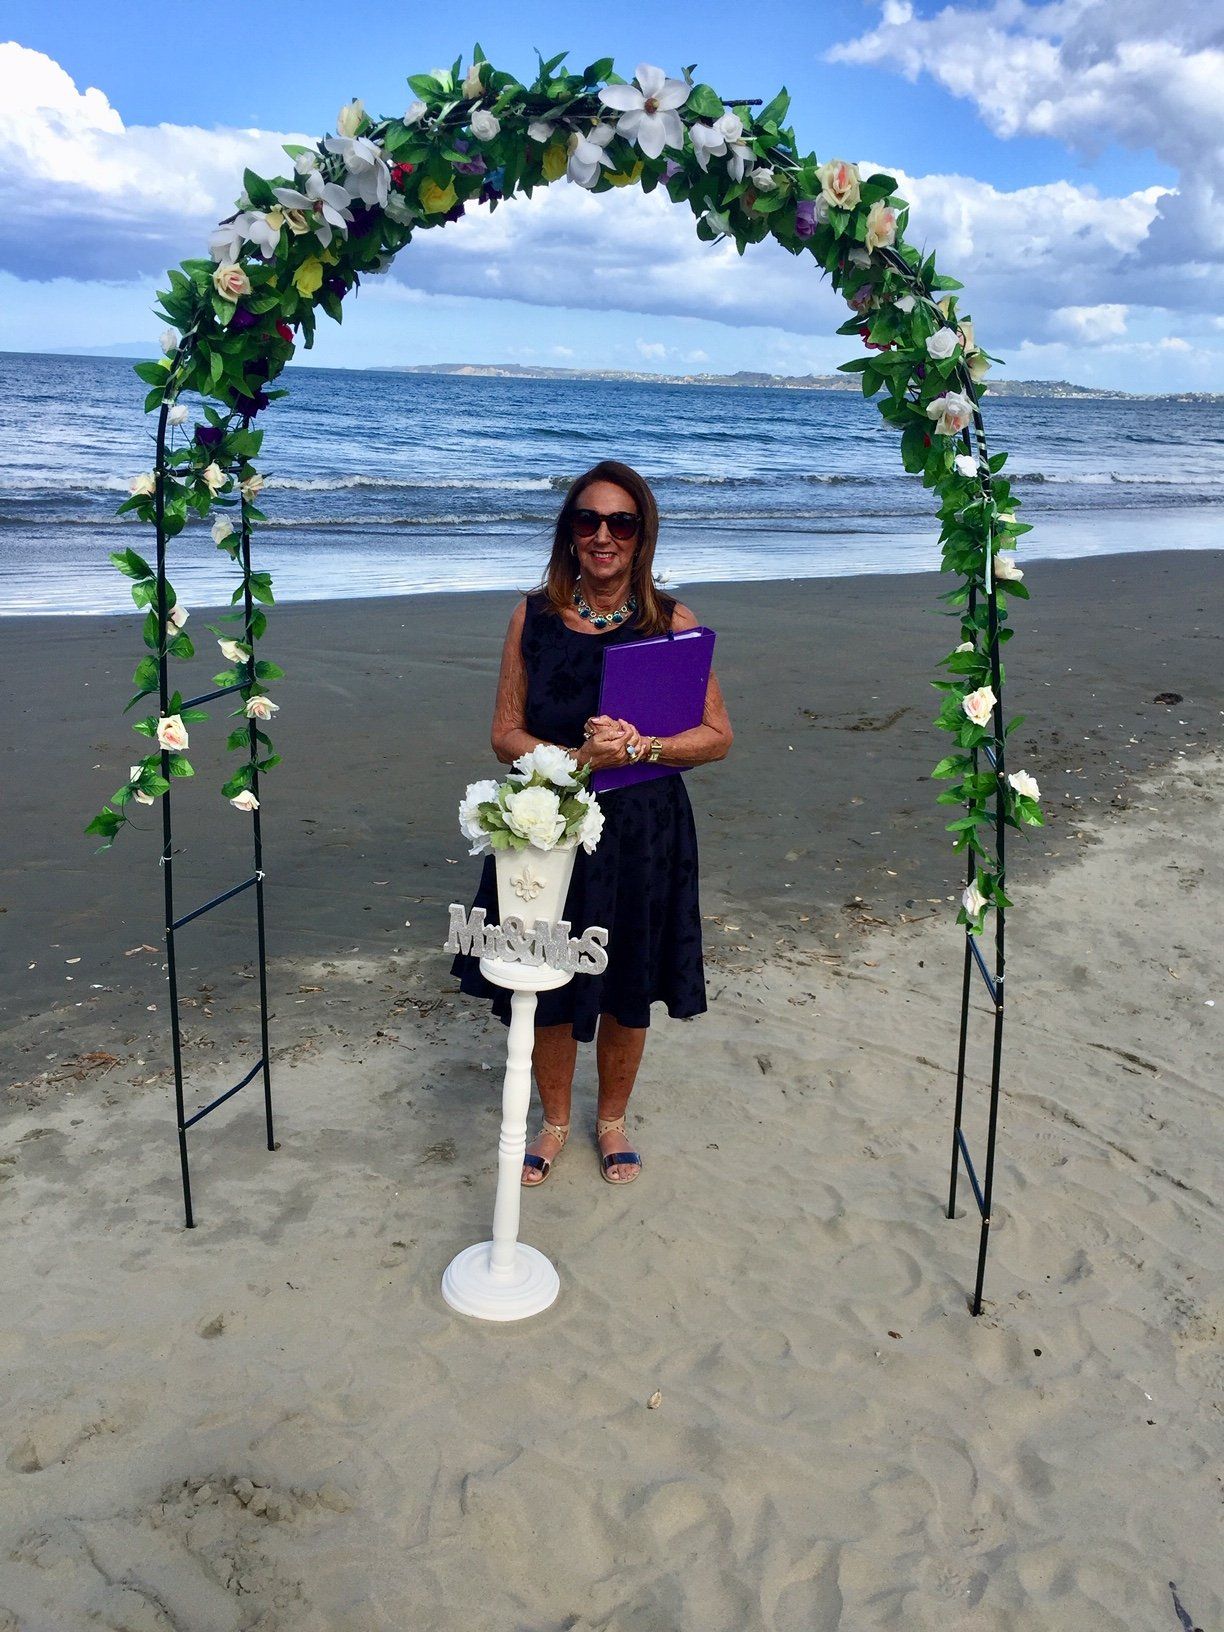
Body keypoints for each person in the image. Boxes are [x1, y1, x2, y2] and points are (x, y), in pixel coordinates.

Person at [451, 459, 733, 1186]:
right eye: (588, 520)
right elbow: (505, 732)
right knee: (546, 974)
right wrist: (578, 758)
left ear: (641, 538)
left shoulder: (672, 624)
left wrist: (639, 747)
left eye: (621, 522)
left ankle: (611, 1120)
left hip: (645, 829)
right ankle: (552, 1121)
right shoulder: (533, 617)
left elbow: (716, 736)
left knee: (628, 979)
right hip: (552, 822)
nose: (602, 535)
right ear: (570, 534)